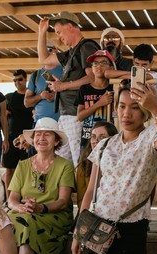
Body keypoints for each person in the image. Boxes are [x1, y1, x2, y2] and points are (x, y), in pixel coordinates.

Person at [71, 80, 157, 254]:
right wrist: (78, 233)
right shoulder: (104, 145)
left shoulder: (150, 136)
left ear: (144, 111)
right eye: (122, 106)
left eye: (134, 107)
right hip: (96, 224)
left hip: (131, 226)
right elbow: (90, 191)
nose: (126, 113)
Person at [37, 11, 100, 167]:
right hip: (65, 114)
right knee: (62, 164)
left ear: (70, 26)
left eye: (59, 32)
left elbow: (92, 78)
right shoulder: (70, 53)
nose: (58, 37)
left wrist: (63, 86)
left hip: (76, 113)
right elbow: (43, 59)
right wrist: (42, 32)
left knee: (79, 162)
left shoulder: (87, 46)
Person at [7, 117, 75, 254]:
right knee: (4, 221)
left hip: (53, 214)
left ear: (56, 141)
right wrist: (20, 207)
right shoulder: (23, 165)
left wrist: (41, 208)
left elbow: (63, 201)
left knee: (27, 223)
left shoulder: (65, 165)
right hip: (24, 212)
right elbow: (12, 199)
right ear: (33, 140)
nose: (41, 138)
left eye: (47, 134)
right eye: (38, 134)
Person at [3, 69, 34, 198]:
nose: (17, 82)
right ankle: (9, 199)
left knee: (28, 170)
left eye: (20, 79)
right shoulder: (9, 98)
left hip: (29, 139)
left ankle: (25, 198)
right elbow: (2, 117)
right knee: (9, 169)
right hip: (11, 138)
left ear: (26, 79)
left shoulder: (32, 96)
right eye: (14, 80)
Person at [76, 50, 116, 149]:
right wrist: (99, 103)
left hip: (108, 141)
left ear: (111, 67)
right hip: (88, 139)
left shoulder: (115, 88)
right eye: (95, 63)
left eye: (103, 63)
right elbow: (80, 116)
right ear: (92, 69)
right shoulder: (84, 89)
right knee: (85, 164)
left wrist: (112, 74)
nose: (98, 66)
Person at [75, 121, 118, 212]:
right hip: (90, 214)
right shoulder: (84, 164)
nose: (96, 141)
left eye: (102, 137)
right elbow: (82, 198)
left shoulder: (119, 163)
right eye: (93, 137)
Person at [24, 40, 63, 123]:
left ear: (56, 50)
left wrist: (56, 96)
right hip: (41, 124)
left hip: (62, 123)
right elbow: (26, 102)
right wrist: (41, 96)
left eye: (48, 49)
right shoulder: (35, 75)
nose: (44, 52)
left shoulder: (66, 71)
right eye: (41, 50)